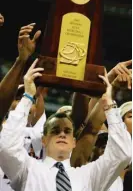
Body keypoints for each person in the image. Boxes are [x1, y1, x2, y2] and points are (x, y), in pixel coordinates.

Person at [0, 61, 131, 191]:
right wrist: (28, 96)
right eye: (55, 131)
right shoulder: (28, 170)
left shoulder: (88, 175)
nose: (62, 134)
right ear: (43, 140)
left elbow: (123, 154)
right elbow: (6, 146)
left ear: (74, 142)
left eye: (67, 131)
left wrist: (109, 103)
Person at [0, 22, 41, 125]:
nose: (24, 101)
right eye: (17, 98)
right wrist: (21, 60)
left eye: (31, 100)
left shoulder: (38, 137)